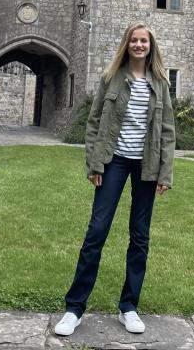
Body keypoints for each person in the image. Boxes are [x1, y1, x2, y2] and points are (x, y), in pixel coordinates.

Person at [54, 21, 176, 337]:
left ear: (150, 46)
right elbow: (94, 122)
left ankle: (128, 307)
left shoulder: (160, 83)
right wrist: (95, 164)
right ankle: (74, 309)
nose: (139, 45)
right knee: (97, 231)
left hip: (147, 165)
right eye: (134, 40)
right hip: (113, 161)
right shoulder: (111, 78)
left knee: (140, 236)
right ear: (127, 44)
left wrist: (165, 173)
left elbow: (167, 131)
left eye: (144, 41)